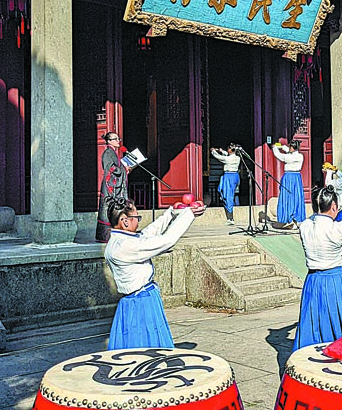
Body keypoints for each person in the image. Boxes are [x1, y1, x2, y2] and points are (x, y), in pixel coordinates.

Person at [104, 196, 204, 349]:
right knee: (146, 344)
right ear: (125, 221)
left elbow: (147, 234)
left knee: (135, 344)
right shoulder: (126, 247)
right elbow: (167, 240)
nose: (138, 221)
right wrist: (188, 214)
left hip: (134, 300)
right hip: (142, 301)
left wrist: (171, 213)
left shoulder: (118, 242)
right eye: (136, 217)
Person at [292, 184, 342, 351]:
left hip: (313, 280)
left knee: (313, 321)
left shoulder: (305, 226)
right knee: (340, 321)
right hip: (335, 280)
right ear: (333, 206)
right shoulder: (337, 230)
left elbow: (319, 213)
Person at [96, 132, 129, 243]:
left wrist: (124, 169)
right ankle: (105, 236)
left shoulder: (114, 153)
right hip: (110, 186)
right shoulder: (107, 153)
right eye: (115, 139)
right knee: (107, 209)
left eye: (118, 139)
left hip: (116, 186)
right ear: (109, 141)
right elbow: (110, 168)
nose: (118, 141)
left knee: (117, 209)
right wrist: (123, 169)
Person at [271, 139, 306, 229]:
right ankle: (297, 220)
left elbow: (279, 156)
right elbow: (289, 151)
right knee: (297, 197)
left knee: (287, 197)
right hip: (297, 177)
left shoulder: (289, 157)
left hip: (289, 177)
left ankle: (286, 219)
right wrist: (283, 147)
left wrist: (275, 148)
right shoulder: (300, 156)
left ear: (292, 148)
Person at [211, 144, 241, 225]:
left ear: (230, 150)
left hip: (229, 176)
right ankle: (230, 213)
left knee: (228, 195)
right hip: (234, 175)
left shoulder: (228, 159)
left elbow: (219, 157)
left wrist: (213, 151)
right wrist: (222, 151)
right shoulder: (237, 158)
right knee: (228, 193)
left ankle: (230, 218)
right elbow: (228, 155)